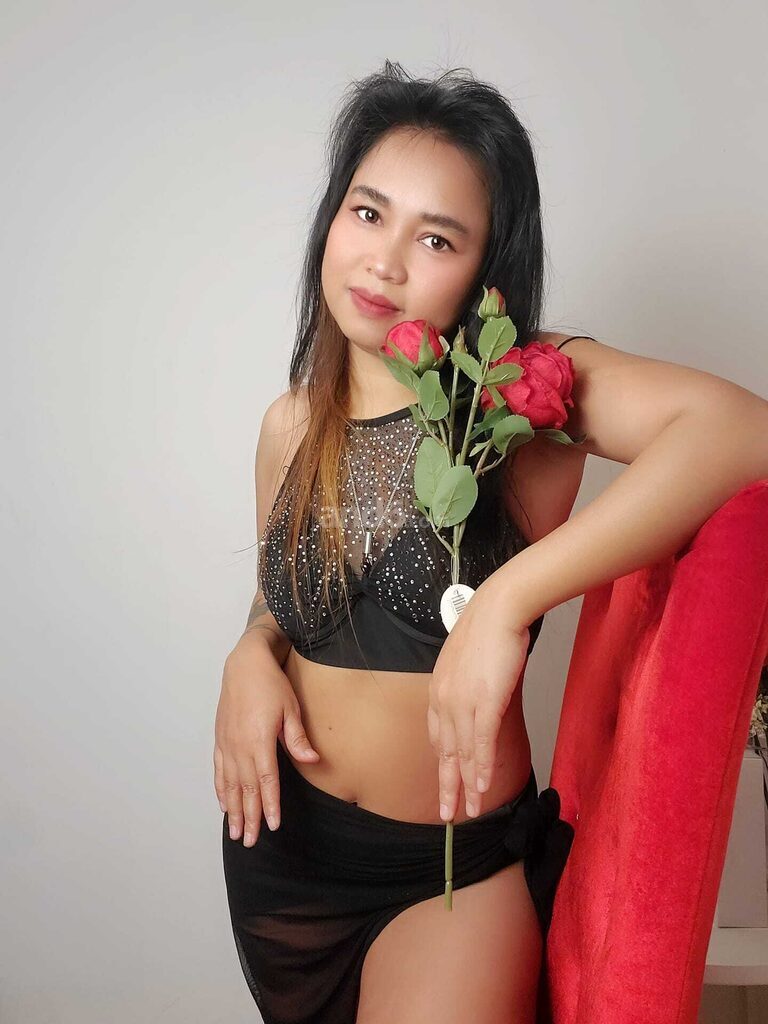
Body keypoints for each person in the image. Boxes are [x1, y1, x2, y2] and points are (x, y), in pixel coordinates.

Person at [214, 60, 768, 1024]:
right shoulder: (287, 426)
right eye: (368, 212)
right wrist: (250, 652)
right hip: (281, 864)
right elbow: (284, 593)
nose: (385, 262)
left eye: (436, 237)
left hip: (448, 880)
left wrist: (508, 601)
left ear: (485, 267)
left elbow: (745, 432)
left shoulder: (525, 404)